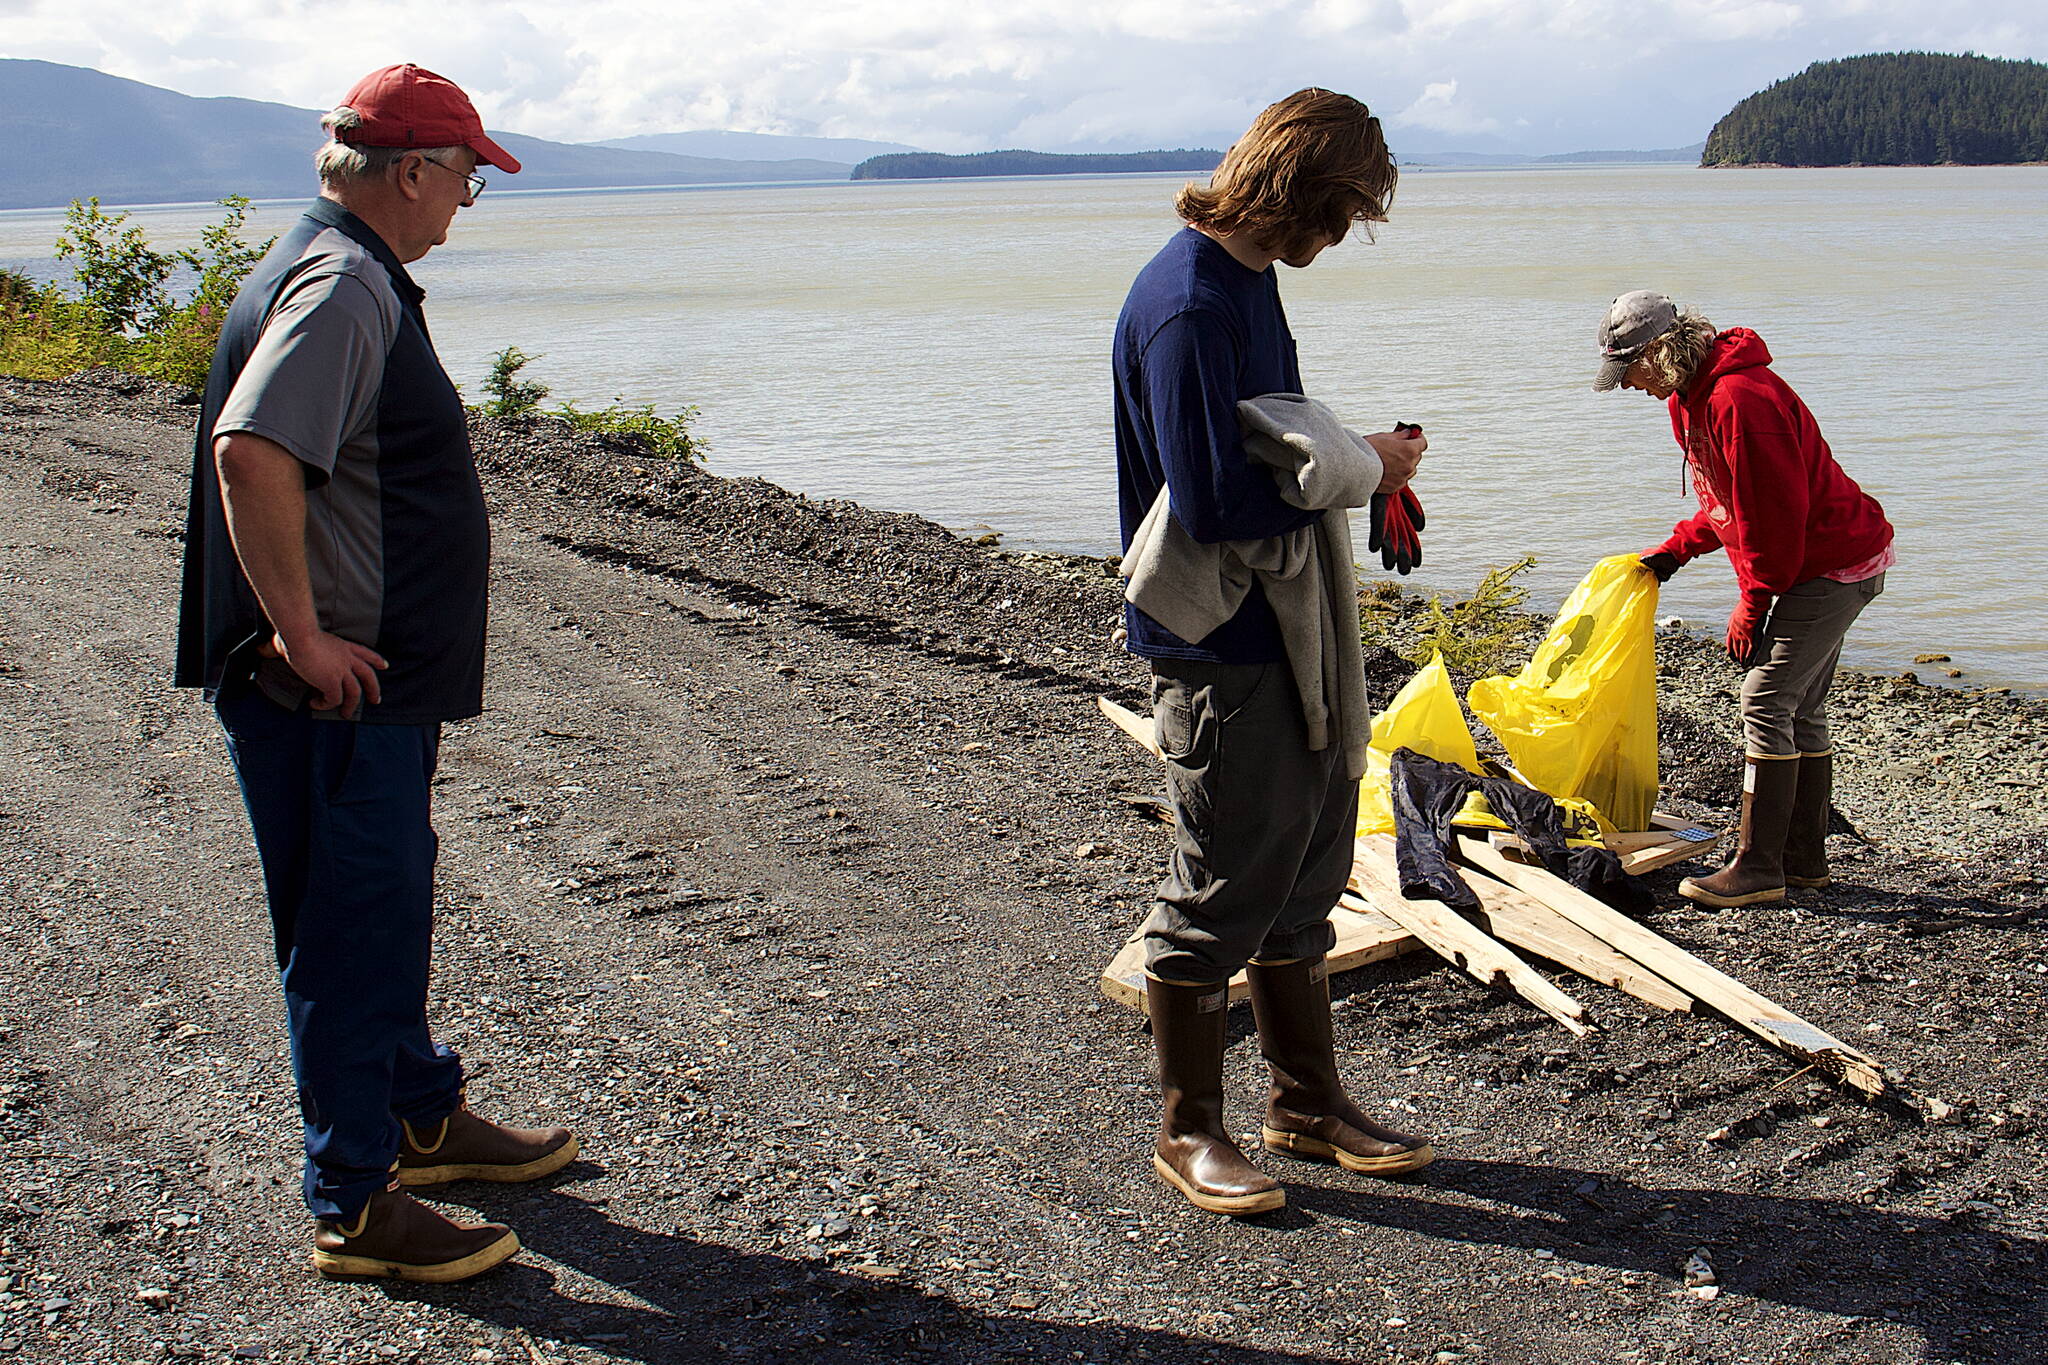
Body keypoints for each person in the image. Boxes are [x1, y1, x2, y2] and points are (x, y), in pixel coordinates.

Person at [175, 64, 576, 1283]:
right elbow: (253, 451)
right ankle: (355, 1202)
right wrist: (301, 634)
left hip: (365, 692)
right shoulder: (345, 283)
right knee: (352, 927)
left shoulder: (334, 264)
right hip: (328, 694)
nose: (465, 200)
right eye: (464, 177)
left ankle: (415, 1109)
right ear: (410, 171)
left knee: (386, 905)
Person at [1112, 88, 1435, 1217]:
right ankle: (1185, 1130)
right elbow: (1210, 497)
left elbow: (1275, 427)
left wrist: (1365, 473)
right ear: (1298, 189)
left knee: (1304, 865)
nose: (1341, 235)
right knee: (1223, 881)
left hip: (1285, 626)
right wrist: (1367, 466)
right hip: (1219, 640)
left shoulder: (1248, 280)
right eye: (1340, 211)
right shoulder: (1188, 303)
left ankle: (1302, 1105)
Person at [1595, 290, 1894, 908]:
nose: (1626, 386)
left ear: (1662, 350)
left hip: (1834, 566)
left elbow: (1774, 523)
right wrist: (1677, 549)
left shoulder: (1740, 400)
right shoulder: (1688, 396)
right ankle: (1802, 860)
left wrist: (1752, 607)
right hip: (1816, 563)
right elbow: (1724, 499)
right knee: (1800, 708)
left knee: (1764, 700)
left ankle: (1759, 867)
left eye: (1630, 370)